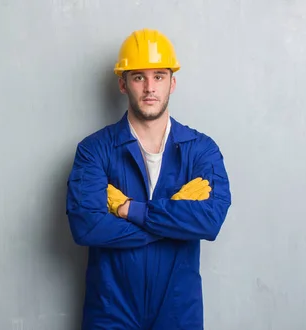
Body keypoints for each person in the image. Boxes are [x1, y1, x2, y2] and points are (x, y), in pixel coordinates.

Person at [65, 28, 232, 329]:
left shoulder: (201, 151)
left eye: (159, 76)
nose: (149, 87)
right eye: (139, 77)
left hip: (178, 311)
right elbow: (86, 227)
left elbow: (210, 220)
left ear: (173, 82)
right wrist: (174, 220)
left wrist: (131, 209)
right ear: (123, 83)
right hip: (110, 309)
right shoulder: (94, 151)